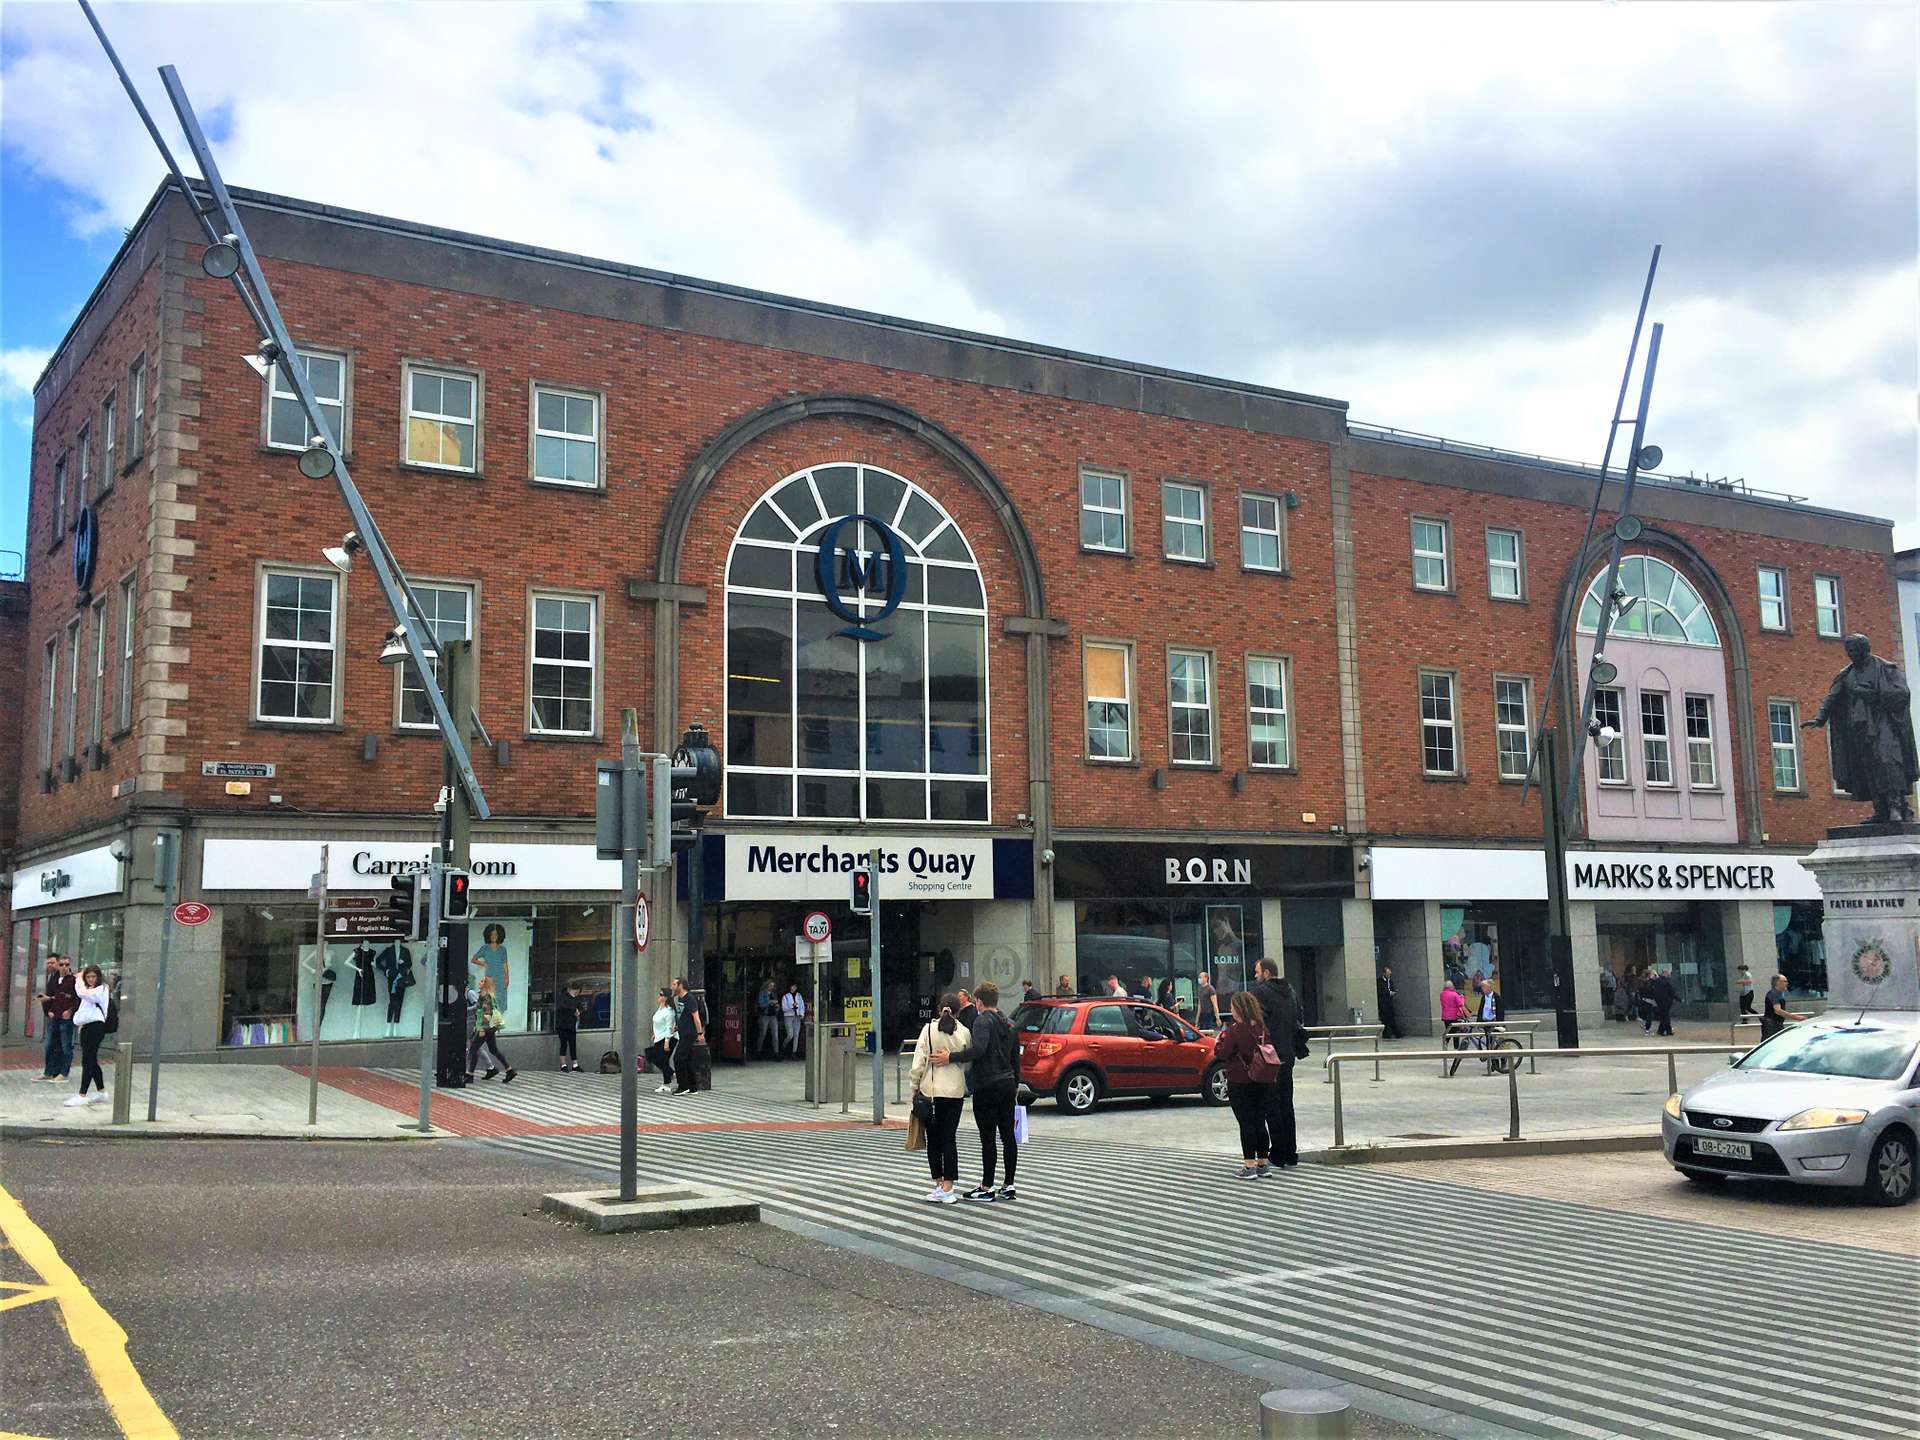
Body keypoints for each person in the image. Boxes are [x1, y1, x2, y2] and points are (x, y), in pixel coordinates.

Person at [1802, 633, 1919, 823]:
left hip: (1883, 724)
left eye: (1854, 650)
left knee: (1887, 763)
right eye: (1848, 651)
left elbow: (1902, 693)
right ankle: (1880, 809)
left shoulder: (1884, 668)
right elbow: (1833, 697)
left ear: (1864, 650)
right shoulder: (1847, 674)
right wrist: (1820, 717)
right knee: (1867, 768)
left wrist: (1873, 694)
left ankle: (1896, 806)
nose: (1850, 655)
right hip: (1859, 728)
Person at [934, 980, 1020, 1202]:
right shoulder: (1010, 1023)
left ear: (979, 1002)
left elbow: (979, 1049)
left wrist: (950, 1057)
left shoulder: (983, 1022)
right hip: (1008, 1083)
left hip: (988, 1084)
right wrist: (1016, 1084)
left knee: (988, 1137)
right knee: (1008, 1134)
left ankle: (986, 1186)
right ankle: (1009, 1184)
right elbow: (1015, 1058)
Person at [909, 994, 971, 1204]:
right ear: (958, 1010)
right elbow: (967, 1063)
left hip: (931, 1092)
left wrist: (914, 1086)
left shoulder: (927, 1030)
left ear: (939, 1009)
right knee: (949, 1138)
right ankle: (949, 1187)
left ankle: (937, 1184)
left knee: (933, 1140)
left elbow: (918, 1062)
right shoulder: (964, 1032)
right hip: (954, 1092)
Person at [1246, 959, 1302, 1167]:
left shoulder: (1260, 993)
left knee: (1271, 1105)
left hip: (1269, 1058)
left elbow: (1254, 1023)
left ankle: (1277, 1152)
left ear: (1267, 973)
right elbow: (1299, 1019)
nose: (1255, 975)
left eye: (1257, 971)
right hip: (1288, 1055)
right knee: (1287, 1104)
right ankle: (1291, 1152)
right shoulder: (1291, 992)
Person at [1213, 991, 1273, 1178]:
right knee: (1259, 1121)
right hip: (1262, 1078)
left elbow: (1223, 1053)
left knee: (1246, 1122)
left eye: (1232, 1006)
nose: (1230, 1010)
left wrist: (1217, 1043)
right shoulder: (1261, 1027)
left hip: (1240, 1080)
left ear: (1239, 1008)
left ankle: (1249, 1166)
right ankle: (1263, 1163)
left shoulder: (1236, 1029)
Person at [64, 965, 112, 1107]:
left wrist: (78, 980)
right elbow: (84, 1009)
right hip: (87, 1026)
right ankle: (101, 1091)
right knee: (91, 1059)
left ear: (98, 977)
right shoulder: (90, 989)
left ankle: (82, 1094)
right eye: (88, 977)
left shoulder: (101, 989)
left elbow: (82, 993)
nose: (91, 979)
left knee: (88, 1059)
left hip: (96, 1027)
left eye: (93, 977)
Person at [464, 977, 516, 1083]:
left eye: (482, 981)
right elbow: (476, 1008)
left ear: (486, 984)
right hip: (490, 1028)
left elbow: (486, 1014)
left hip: (486, 1028)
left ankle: (470, 1075)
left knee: (474, 1049)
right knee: (493, 1050)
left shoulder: (486, 997)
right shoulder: (484, 996)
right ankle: (509, 1070)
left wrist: (481, 1029)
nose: (480, 982)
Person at [38, 954, 77, 1084]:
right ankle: (49, 1072)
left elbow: (77, 998)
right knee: (50, 1045)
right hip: (54, 1017)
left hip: (66, 1019)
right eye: (61, 964)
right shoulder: (54, 980)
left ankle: (63, 1073)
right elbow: (52, 997)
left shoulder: (73, 980)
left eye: (67, 964)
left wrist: (70, 1011)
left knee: (65, 1046)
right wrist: (49, 1011)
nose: (64, 967)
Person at [671, 977, 710, 1093]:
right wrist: (677, 1026)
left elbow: (696, 1017)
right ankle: (693, 1086)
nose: (672, 987)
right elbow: (682, 1015)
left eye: (674, 984)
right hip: (683, 1032)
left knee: (678, 1058)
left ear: (680, 985)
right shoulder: (680, 999)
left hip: (689, 1033)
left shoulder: (690, 999)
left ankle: (683, 1086)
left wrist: (699, 1033)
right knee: (687, 1059)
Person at [646, 987, 677, 1093]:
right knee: (652, 1056)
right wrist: (655, 1033)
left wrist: (667, 1042)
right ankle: (670, 1074)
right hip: (659, 1037)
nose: (658, 997)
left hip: (668, 1038)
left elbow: (669, 1027)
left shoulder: (669, 1011)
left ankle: (666, 1084)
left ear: (665, 997)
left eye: (660, 995)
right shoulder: (660, 1008)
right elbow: (658, 1022)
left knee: (662, 1060)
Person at [1760, 974, 1806, 1041]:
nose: (1787, 983)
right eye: (1785, 981)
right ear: (1778, 982)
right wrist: (1797, 1017)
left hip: (1774, 1025)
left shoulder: (1777, 993)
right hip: (1772, 1026)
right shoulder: (1774, 994)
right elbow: (1778, 1010)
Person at [1440, 975, 1469, 1075]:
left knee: (1448, 1030)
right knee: (1455, 1031)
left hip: (1445, 1016)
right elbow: (1460, 1005)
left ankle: (1445, 1042)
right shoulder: (1455, 994)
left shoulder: (1442, 994)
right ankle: (1456, 1046)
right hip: (1454, 1016)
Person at [554, 982, 582, 1072]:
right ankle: (563, 1065)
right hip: (562, 1024)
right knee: (564, 1044)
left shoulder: (576, 998)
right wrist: (574, 1009)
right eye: (575, 992)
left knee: (573, 1044)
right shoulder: (562, 996)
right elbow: (561, 1007)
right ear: (571, 990)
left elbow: (580, 1007)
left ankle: (575, 1064)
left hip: (571, 1024)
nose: (576, 994)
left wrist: (579, 1011)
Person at [1643, 968, 1677, 1037]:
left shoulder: (1657, 982)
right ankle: (1665, 1030)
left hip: (1660, 1001)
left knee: (1664, 1016)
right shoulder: (1658, 982)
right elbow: (1670, 991)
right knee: (1664, 1016)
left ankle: (1665, 1030)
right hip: (1660, 1001)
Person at [754, 979, 779, 1059]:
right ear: (767, 985)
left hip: (773, 1016)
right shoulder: (762, 993)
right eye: (770, 985)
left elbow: (776, 1004)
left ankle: (776, 1053)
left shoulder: (774, 994)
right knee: (762, 1034)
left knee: (775, 1035)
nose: (772, 987)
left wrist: (777, 1007)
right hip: (764, 1015)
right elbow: (761, 1004)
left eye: (773, 985)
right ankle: (758, 1051)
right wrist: (771, 1002)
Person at [780, 982, 806, 1058]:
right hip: (788, 1016)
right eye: (792, 986)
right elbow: (784, 1008)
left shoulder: (799, 995)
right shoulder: (785, 996)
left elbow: (802, 1005)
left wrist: (802, 1014)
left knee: (796, 1035)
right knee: (790, 1035)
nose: (794, 988)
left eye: (795, 986)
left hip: (797, 1016)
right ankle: (783, 1046)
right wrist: (792, 1006)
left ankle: (794, 1052)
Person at [1376, 965, 1401, 1040]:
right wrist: (1388, 993)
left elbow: (1392, 988)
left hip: (1389, 1002)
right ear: (1384, 973)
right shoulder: (1379, 981)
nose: (1389, 975)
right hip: (1383, 1003)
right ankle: (1386, 1034)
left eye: (1390, 974)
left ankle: (1396, 1033)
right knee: (1385, 1019)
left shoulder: (1390, 981)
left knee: (1392, 1018)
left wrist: (1393, 991)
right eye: (1388, 974)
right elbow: (1380, 991)